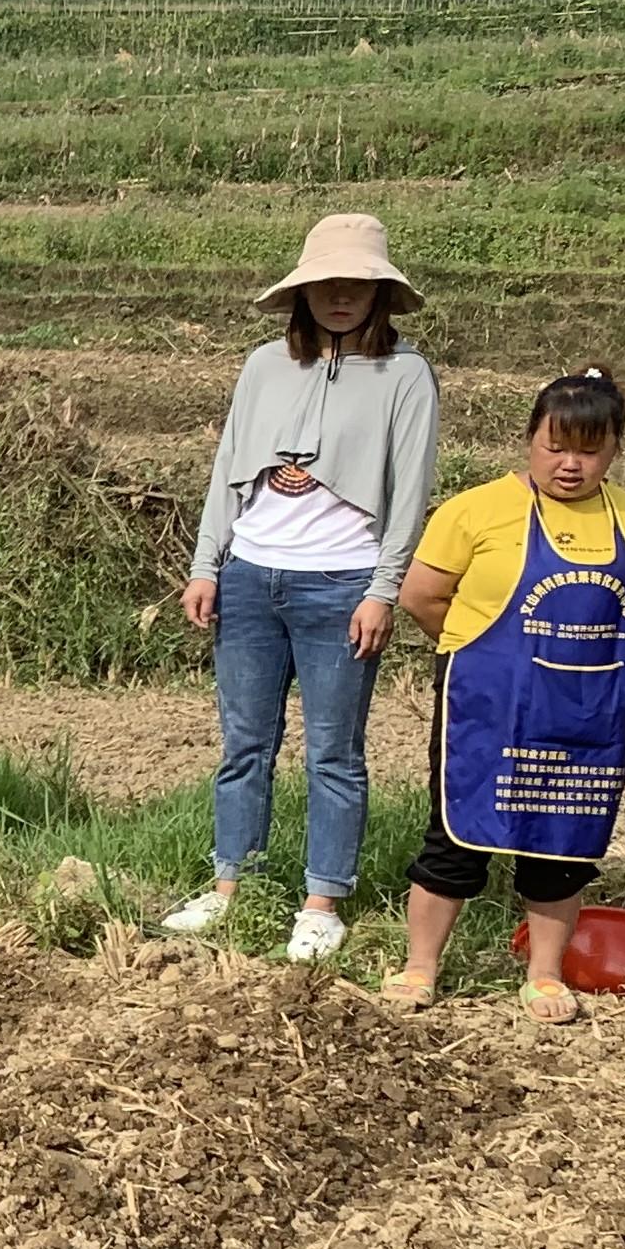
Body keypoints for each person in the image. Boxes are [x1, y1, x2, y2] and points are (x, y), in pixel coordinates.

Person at [165, 213, 442, 964]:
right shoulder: (263, 365)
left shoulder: (406, 374)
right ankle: (232, 885)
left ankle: (323, 900)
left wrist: (382, 589)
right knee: (245, 743)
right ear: (305, 292)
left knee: (333, 751)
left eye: (358, 284)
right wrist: (206, 563)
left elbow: (410, 489)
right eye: (328, 284)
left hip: (342, 582)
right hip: (252, 577)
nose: (342, 296)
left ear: (381, 293)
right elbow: (230, 466)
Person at [379, 370, 625, 1022]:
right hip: (489, 706)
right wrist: (482, 652)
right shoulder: (474, 510)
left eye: (589, 451)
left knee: (562, 843)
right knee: (457, 838)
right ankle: (420, 966)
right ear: (529, 441)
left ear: (615, 450)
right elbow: (424, 596)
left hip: (589, 710)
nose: (570, 465)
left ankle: (544, 975)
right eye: (555, 446)